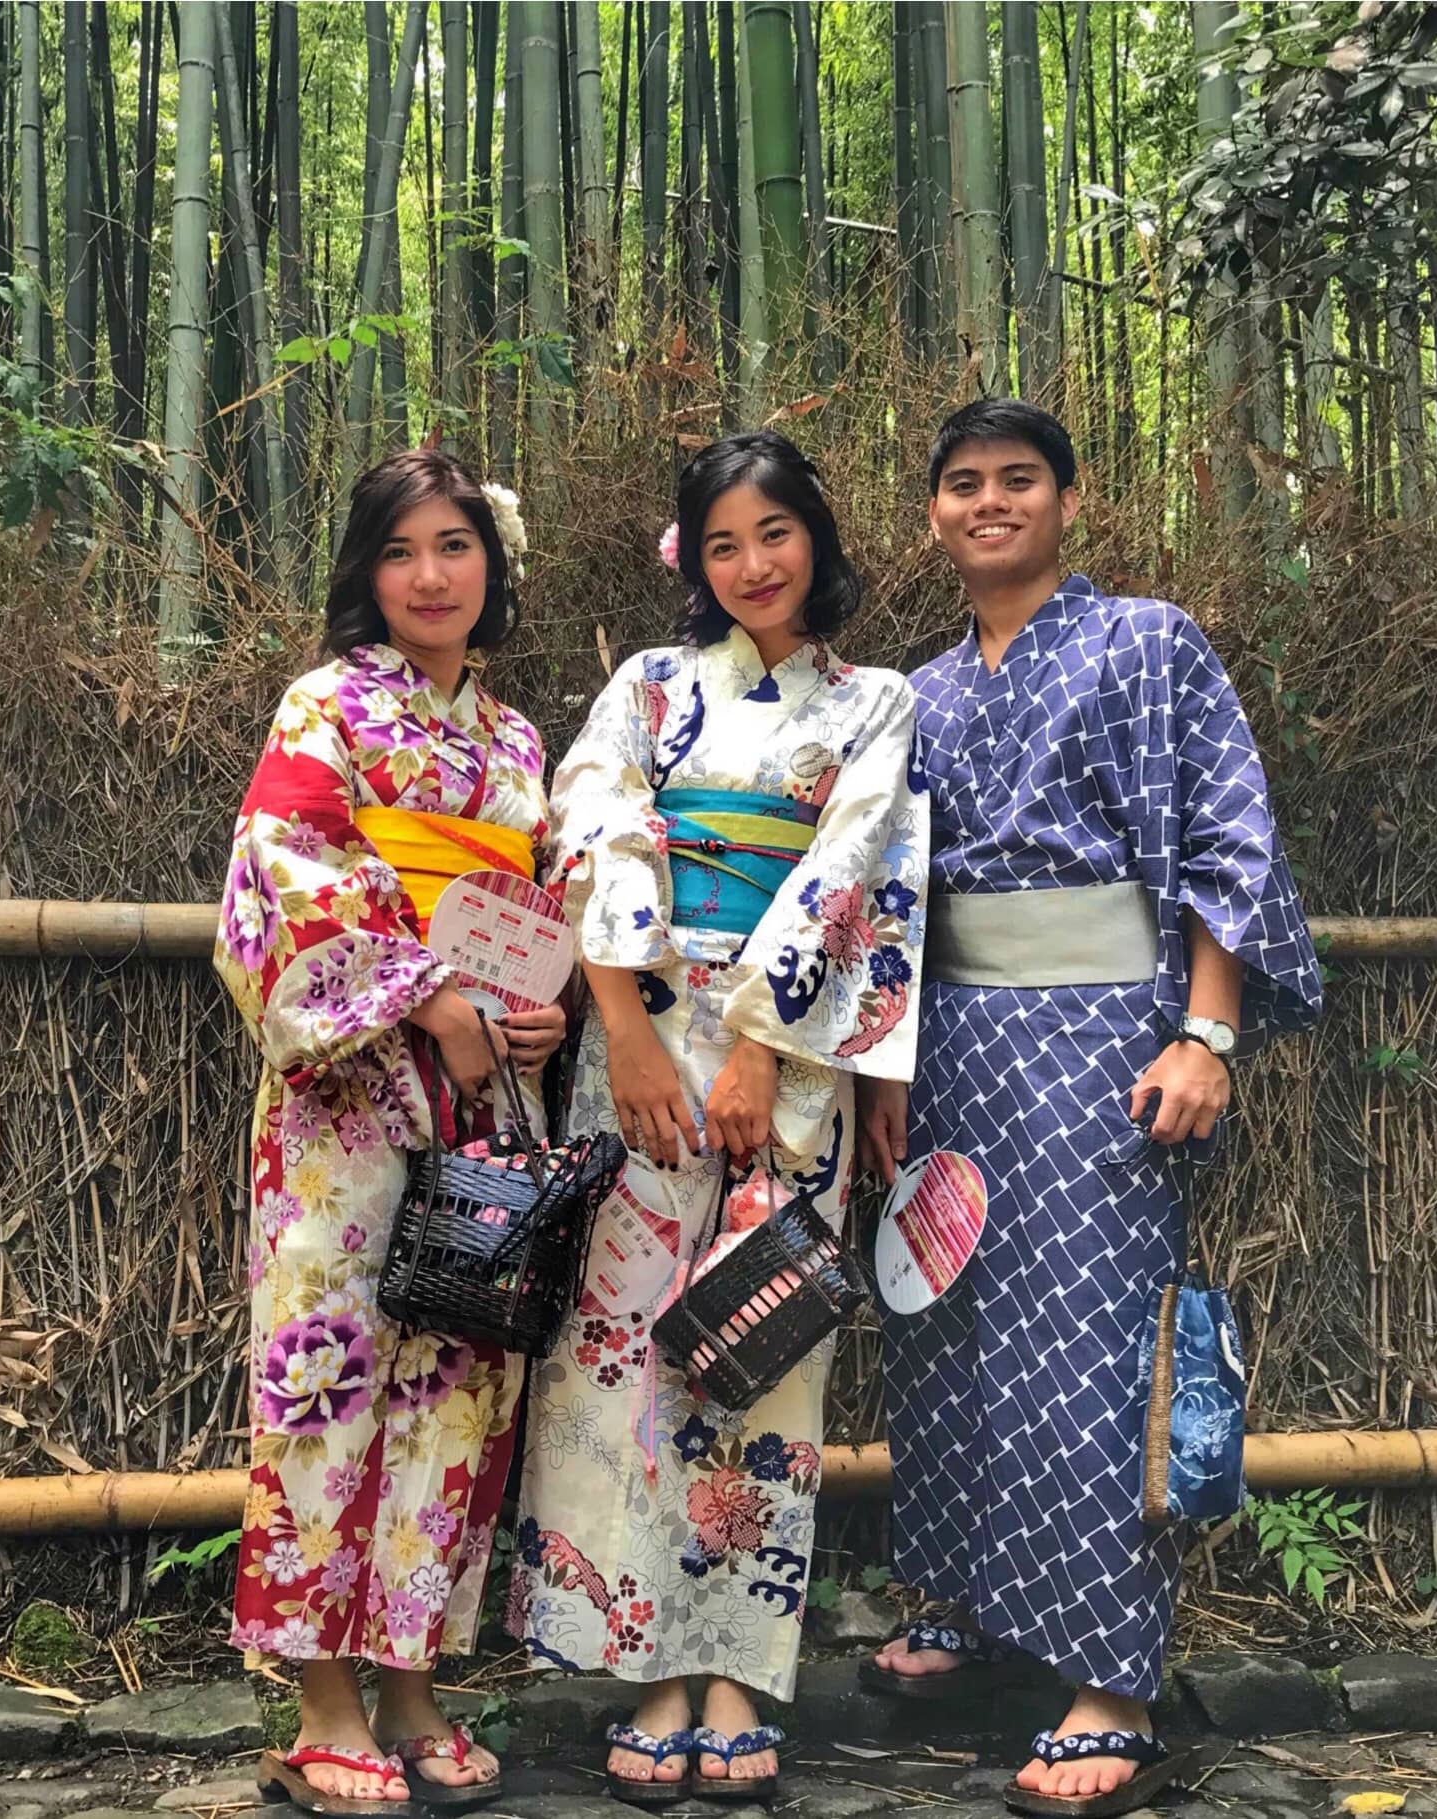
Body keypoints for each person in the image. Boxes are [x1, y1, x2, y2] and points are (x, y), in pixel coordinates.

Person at [855, 400, 1321, 1819]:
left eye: (1018, 479)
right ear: (932, 514)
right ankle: (966, 1601)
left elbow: (1231, 840)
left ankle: (1110, 1682)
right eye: (961, 483)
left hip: (1105, 1038)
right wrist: (883, 1068)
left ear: (1068, 500)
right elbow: (884, 899)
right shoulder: (917, 694)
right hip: (949, 1040)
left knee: (1087, 1338)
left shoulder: (1148, 644)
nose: (988, 501)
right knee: (941, 1322)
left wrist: (1206, 1031)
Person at [509, 430, 932, 1806]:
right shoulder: (646, 685)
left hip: (788, 1059)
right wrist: (626, 1027)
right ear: (690, 558)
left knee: (762, 1353)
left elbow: (852, 871)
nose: (753, 564)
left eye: (775, 533)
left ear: (818, 538)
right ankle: (645, 1666)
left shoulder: (872, 702)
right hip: (634, 1041)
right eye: (723, 542)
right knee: (618, 1349)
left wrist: (757, 1045)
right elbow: (591, 830)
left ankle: (735, 1671)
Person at [216, 448, 567, 1817]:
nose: (430, 576)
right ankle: (322, 1700)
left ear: (493, 563)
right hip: (346, 1096)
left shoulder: (516, 739)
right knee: (330, 1365)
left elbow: (532, 911)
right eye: (401, 550)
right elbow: (284, 869)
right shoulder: (326, 705)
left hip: (483, 1094)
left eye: (455, 546)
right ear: (367, 571)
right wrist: (423, 996)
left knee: (458, 1376)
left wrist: (535, 1015)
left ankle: (412, 1681)